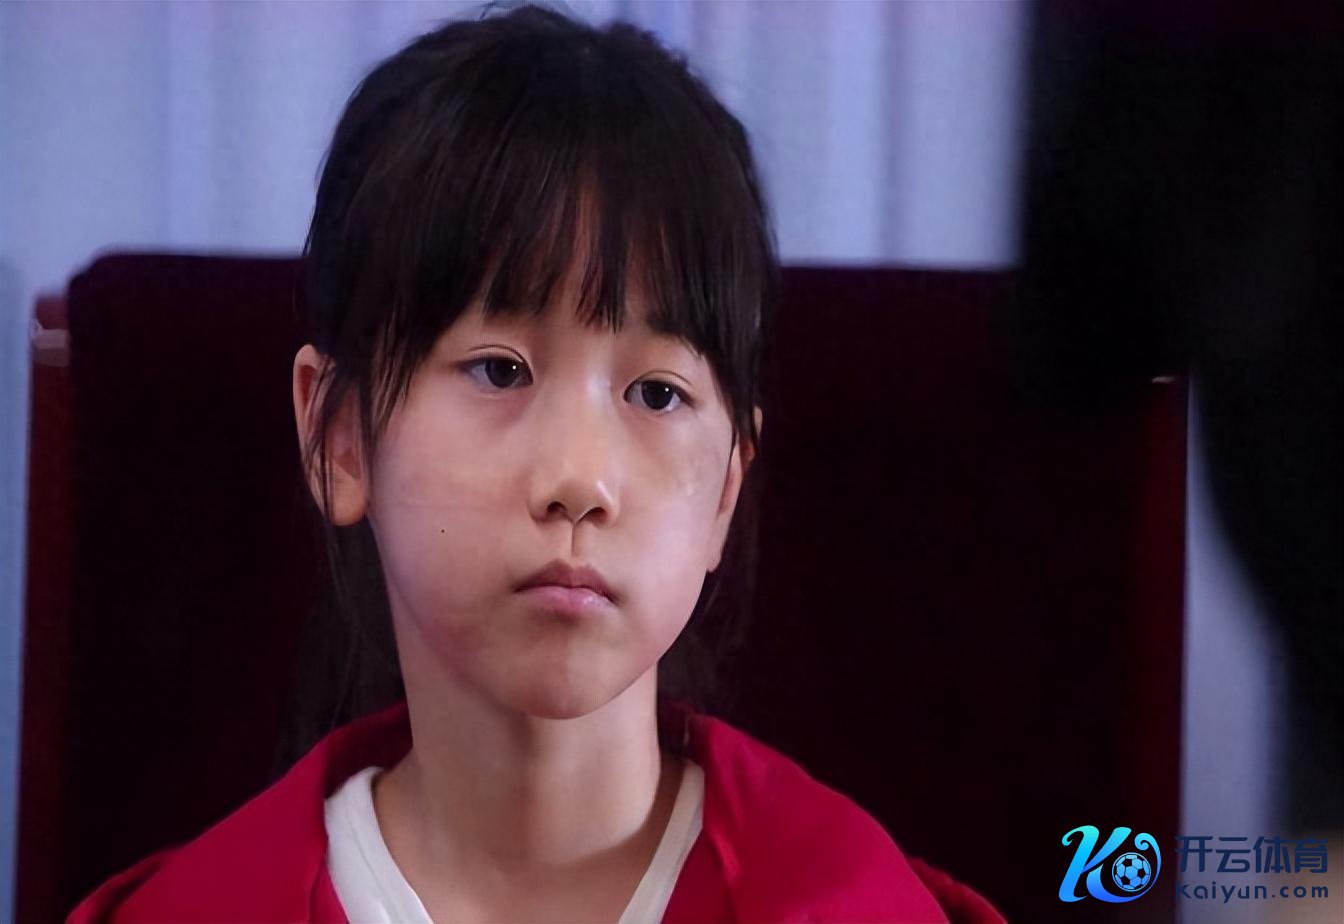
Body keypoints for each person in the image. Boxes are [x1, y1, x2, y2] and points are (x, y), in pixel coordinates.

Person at [67, 4, 1004, 922]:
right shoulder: (196, 909)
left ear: (728, 486)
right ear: (341, 433)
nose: (579, 482)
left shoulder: (856, 906)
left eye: (657, 393)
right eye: (499, 370)